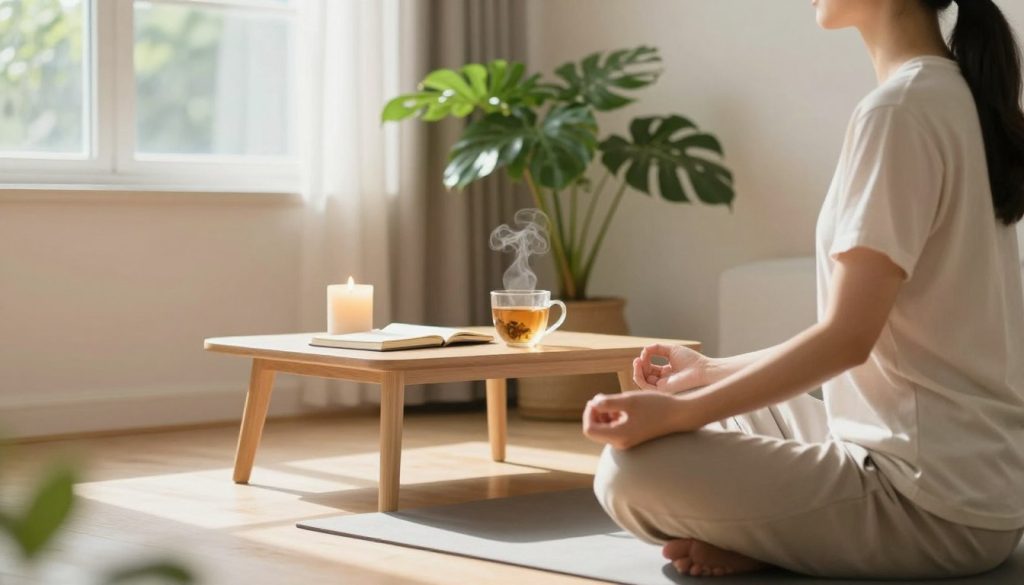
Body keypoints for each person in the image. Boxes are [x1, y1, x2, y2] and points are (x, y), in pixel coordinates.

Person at [582, 0, 1024, 579]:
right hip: (970, 487)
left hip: (932, 508)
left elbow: (846, 340)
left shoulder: (899, 110)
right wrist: (709, 372)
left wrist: (677, 414)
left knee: (627, 473)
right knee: (732, 409)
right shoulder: (951, 94)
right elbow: (862, 339)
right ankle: (782, 536)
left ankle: (779, 538)